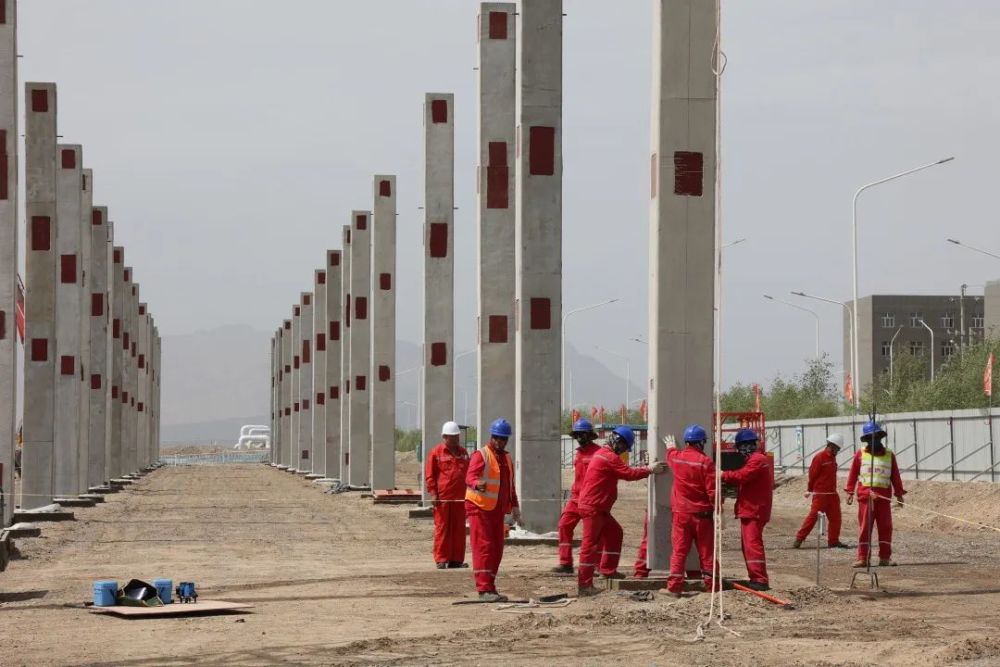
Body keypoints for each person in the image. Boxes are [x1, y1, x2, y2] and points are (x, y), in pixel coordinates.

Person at [576, 426, 666, 596]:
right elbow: (628, 473)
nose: (624, 451)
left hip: (598, 508)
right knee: (589, 546)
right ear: (618, 442)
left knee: (615, 533)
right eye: (624, 447)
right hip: (593, 508)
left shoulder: (603, 454)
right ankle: (584, 586)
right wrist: (649, 469)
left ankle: (608, 569)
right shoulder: (608, 456)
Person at [465, 418, 520, 602]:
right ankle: (484, 589)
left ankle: (490, 586)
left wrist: (515, 506)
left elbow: (510, 486)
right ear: (492, 436)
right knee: (484, 547)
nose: (500, 441)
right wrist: (476, 484)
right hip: (479, 508)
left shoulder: (507, 458)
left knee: (496, 548)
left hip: (496, 510)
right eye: (497, 437)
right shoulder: (481, 455)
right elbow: (469, 477)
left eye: (504, 438)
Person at [663, 424, 719, 597]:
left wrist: (671, 447)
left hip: (681, 515)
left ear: (687, 442)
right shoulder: (706, 462)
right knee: (707, 553)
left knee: (679, 551)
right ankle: (712, 587)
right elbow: (712, 491)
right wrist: (719, 510)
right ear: (701, 442)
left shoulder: (677, 458)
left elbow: (671, 455)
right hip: (702, 516)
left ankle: (674, 588)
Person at [844, 421, 906, 568]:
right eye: (870, 438)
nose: (874, 441)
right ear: (866, 440)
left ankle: (885, 557)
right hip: (866, 498)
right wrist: (850, 491)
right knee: (865, 527)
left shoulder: (889, 455)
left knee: (886, 527)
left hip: (883, 498)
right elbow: (853, 474)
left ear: (880, 437)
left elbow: (895, 475)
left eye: (876, 437)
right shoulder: (860, 454)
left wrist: (899, 494)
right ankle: (863, 557)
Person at [721, 428, 773, 592]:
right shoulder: (757, 459)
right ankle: (757, 577)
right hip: (753, 508)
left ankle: (759, 580)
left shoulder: (757, 460)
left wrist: (722, 474)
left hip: (754, 509)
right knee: (749, 545)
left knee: (752, 545)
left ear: (744, 446)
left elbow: (742, 476)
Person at [552, 419, 602, 575]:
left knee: (592, 534)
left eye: (583, 434)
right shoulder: (579, 453)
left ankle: (594, 565)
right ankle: (566, 563)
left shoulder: (598, 453)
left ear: (590, 435)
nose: (580, 438)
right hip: (575, 497)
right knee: (564, 525)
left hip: (590, 499)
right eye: (577, 435)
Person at [425, 421, 470, 569]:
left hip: (460, 499)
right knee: (443, 528)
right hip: (443, 499)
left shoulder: (463, 453)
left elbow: (469, 474)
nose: (456, 439)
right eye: (453, 436)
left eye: (457, 436)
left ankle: (456, 560)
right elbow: (430, 476)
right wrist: (433, 494)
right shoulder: (436, 453)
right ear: (445, 437)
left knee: (458, 529)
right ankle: (441, 559)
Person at [793, 433, 850, 549]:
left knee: (836, 518)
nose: (838, 451)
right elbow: (812, 475)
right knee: (813, 516)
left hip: (832, 494)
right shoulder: (819, 457)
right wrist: (809, 489)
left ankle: (833, 541)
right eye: (837, 448)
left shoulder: (833, 458)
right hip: (820, 495)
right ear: (831, 446)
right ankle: (799, 538)